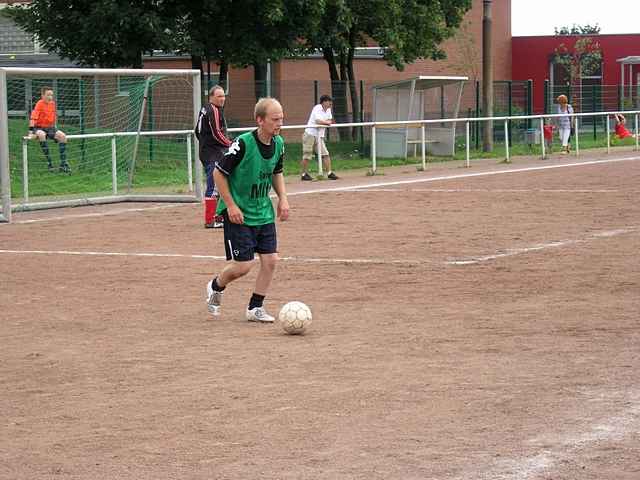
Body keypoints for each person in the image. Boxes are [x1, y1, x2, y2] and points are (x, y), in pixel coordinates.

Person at [206, 97, 290, 323]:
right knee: (243, 266)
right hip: (239, 212)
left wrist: (283, 199)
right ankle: (216, 285)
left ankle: (255, 307)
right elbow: (218, 173)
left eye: (281, 118)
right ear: (260, 120)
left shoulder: (279, 143)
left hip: (263, 211)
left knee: (271, 260)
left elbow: (276, 172)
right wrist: (231, 205)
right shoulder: (243, 143)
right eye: (274, 119)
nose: (279, 123)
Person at [195, 85, 232, 228]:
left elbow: (197, 131)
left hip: (207, 153)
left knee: (220, 183)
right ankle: (210, 219)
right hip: (213, 154)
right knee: (214, 185)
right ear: (211, 97)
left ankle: (218, 216)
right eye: (219, 96)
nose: (222, 99)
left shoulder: (205, 109)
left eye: (223, 96)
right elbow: (217, 133)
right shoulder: (213, 110)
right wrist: (230, 144)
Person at [28, 87, 71, 173]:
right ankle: (50, 163)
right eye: (48, 95)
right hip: (39, 127)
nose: (50, 97)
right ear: (42, 95)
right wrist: (30, 132)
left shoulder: (53, 104)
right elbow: (33, 118)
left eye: (51, 95)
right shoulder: (39, 104)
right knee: (42, 135)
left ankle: (63, 165)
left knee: (63, 136)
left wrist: (55, 131)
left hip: (50, 128)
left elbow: (53, 118)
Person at [300, 94, 339, 181]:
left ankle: (329, 173)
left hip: (319, 136)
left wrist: (326, 122)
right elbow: (317, 121)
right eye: (329, 101)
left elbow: (330, 120)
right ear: (324, 102)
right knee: (307, 155)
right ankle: (303, 174)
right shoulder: (317, 108)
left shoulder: (328, 110)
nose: (330, 103)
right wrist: (326, 123)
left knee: (325, 154)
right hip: (310, 134)